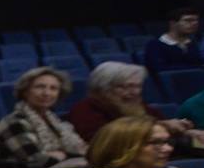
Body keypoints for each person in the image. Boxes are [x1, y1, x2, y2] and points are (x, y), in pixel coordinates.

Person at [68, 61, 201, 146]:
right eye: (125, 87)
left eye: (138, 86)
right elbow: (104, 141)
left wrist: (184, 132)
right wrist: (163, 126)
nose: (135, 92)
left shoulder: (135, 105)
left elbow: (160, 126)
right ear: (103, 88)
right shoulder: (84, 110)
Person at [0, 66, 88, 168]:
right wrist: (66, 155)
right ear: (25, 91)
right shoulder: (14, 122)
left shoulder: (56, 122)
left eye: (53, 88)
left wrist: (62, 154)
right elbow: (35, 160)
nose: (47, 93)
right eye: (40, 87)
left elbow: (81, 150)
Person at [143, 6, 203, 74]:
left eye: (196, 20)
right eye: (188, 20)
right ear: (173, 23)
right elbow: (160, 69)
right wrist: (196, 68)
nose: (194, 23)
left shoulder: (192, 43)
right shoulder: (155, 45)